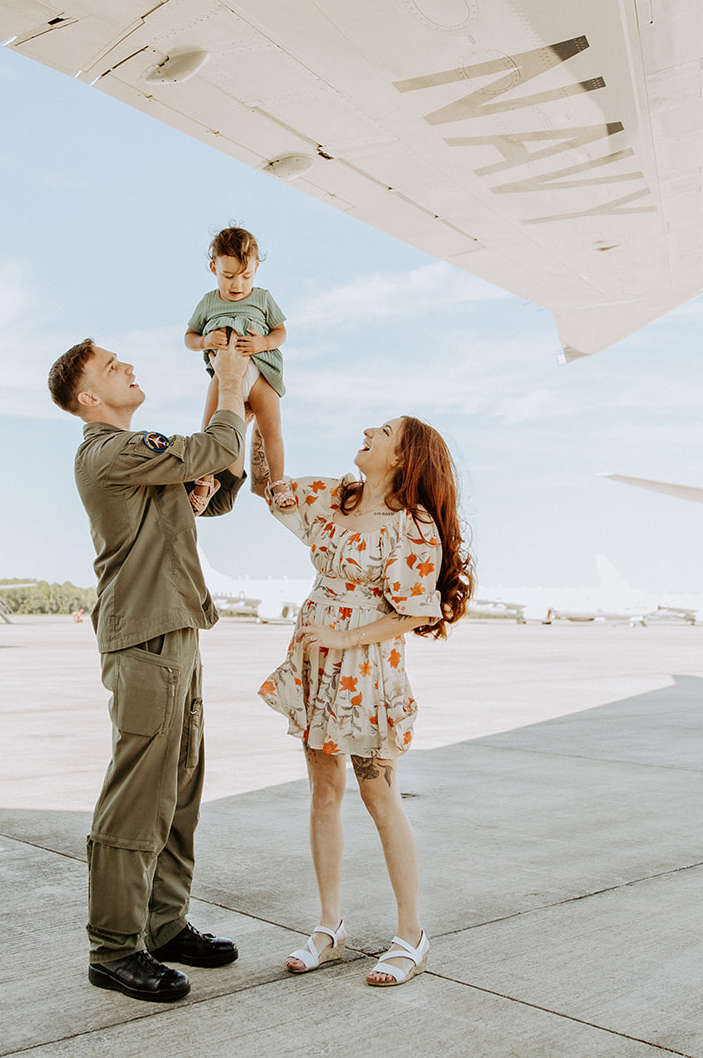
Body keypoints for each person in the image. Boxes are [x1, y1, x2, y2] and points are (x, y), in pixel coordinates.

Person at [47, 335, 249, 1003]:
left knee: (180, 790)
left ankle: (162, 925)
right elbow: (210, 446)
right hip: (146, 640)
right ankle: (112, 948)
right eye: (112, 366)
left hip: (177, 633)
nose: (127, 366)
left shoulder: (142, 460)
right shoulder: (110, 452)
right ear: (89, 397)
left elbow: (213, 486)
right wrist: (228, 379)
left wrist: (209, 472)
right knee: (139, 795)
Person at [254, 417, 473, 987]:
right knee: (323, 793)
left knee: (379, 795)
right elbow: (265, 484)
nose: (367, 431)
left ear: (403, 457)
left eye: (384, 430)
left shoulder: (413, 525)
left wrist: (346, 638)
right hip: (316, 661)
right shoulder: (335, 495)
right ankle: (330, 925)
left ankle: (411, 934)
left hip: (366, 670)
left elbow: (420, 610)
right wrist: (255, 404)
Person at [184, 226, 294, 510]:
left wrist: (265, 343)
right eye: (228, 276)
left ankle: (278, 481)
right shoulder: (209, 302)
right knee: (209, 429)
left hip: (260, 375)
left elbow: (281, 332)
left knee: (272, 431)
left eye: (246, 276)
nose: (237, 285)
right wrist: (205, 340)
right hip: (222, 376)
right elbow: (189, 338)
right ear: (214, 268)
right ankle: (206, 479)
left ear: (256, 269)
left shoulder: (263, 298)